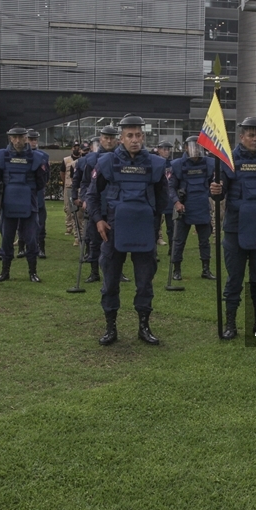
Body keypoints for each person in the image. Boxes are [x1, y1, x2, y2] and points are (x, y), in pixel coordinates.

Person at [86, 115, 169, 346]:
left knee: (145, 282)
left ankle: (144, 326)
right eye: (129, 136)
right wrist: (98, 220)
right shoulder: (106, 162)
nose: (135, 140)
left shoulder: (155, 164)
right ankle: (110, 327)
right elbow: (92, 196)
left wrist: (154, 224)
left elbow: (163, 198)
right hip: (112, 230)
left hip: (143, 231)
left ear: (143, 136)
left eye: (138, 135)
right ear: (121, 138)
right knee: (110, 281)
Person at [209, 117, 256, 339]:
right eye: (251, 135)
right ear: (241, 137)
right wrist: (215, 190)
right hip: (235, 229)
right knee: (234, 278)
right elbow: (220, 192)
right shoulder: (227, 160)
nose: (255, 139)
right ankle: (231, 323)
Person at [0, 125, 49, 283]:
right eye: (14, 137)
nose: (17, 140)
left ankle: (32, 272)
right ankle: (5, 272)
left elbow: (41, 183)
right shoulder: (1, 156)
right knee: (6, 239)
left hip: (29, 203)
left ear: (26, 138)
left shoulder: (37, 158)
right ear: (10, 138)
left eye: (21, 137)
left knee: (31, 239)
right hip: (8, 204)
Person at [75, 127, 120, 283]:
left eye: (112, 138)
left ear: (117, 140)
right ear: (101, 139)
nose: (109, 141)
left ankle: (117, 272)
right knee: (94, 241)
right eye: (106, 138)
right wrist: (85, 199)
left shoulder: (123, 158)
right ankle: (94, 272)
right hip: (96, 205)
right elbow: (85, 182)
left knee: (117, 241)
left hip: (115, 206)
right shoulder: (91, 159)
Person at [168, 136, 216, 281]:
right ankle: (177, 270)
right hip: (184, 207)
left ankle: (206, 269)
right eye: (192, 146)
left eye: (198, 146)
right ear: (186, 148)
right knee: (179, 240)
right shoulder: (177, 165)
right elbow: (170, 187)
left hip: (202, 206)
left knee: (204, 241)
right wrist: (176, 202)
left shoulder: (209, 163)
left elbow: (212, 182)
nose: (195, 149)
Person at [23, 129, 50, 259]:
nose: (33, 142)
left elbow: (46, 176)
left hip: (37, 193)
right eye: (30, 139)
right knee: (21, 220)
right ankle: (22, 247)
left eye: (35, 139)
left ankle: (41, 247)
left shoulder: (43, 156)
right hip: (23, 193)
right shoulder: (19, 155)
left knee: (41, 222)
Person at [153, 141, 175, 247]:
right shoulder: (155, 163)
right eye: (164, 149)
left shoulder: (173, 164)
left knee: (171, 227)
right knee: (155, 227)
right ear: (159, 150)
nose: (166, 152)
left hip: (170, 199)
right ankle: (153, 251)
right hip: (158, 199)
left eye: (168, 149)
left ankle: (172, 249)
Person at [62, 140, 82, 239]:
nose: (76, 149)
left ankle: (78, 232)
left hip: (79, 187)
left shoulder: (83, 160)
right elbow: (62, 173)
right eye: (75, 147)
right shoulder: (66, 160)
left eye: (78, 147)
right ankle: (69, 227)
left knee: (78, 211)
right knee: (68, 208)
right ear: (72, 148)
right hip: (68, 186)